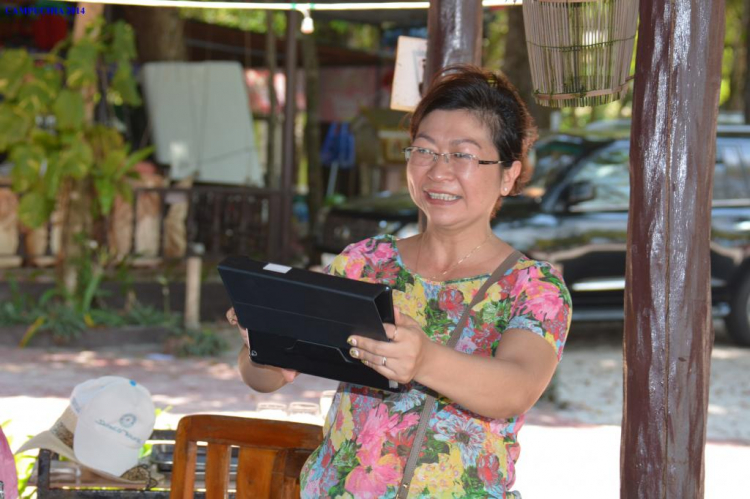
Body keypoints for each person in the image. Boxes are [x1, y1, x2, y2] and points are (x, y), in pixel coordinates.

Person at [228, 65, 572, 498]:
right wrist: (264, 340)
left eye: (463, 155)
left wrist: (424, 360)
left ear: (508, 173)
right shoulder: (367, 263)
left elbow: (516, 388)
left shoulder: (533, 288)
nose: (438, 172)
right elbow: (263, 377)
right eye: (424, 150)